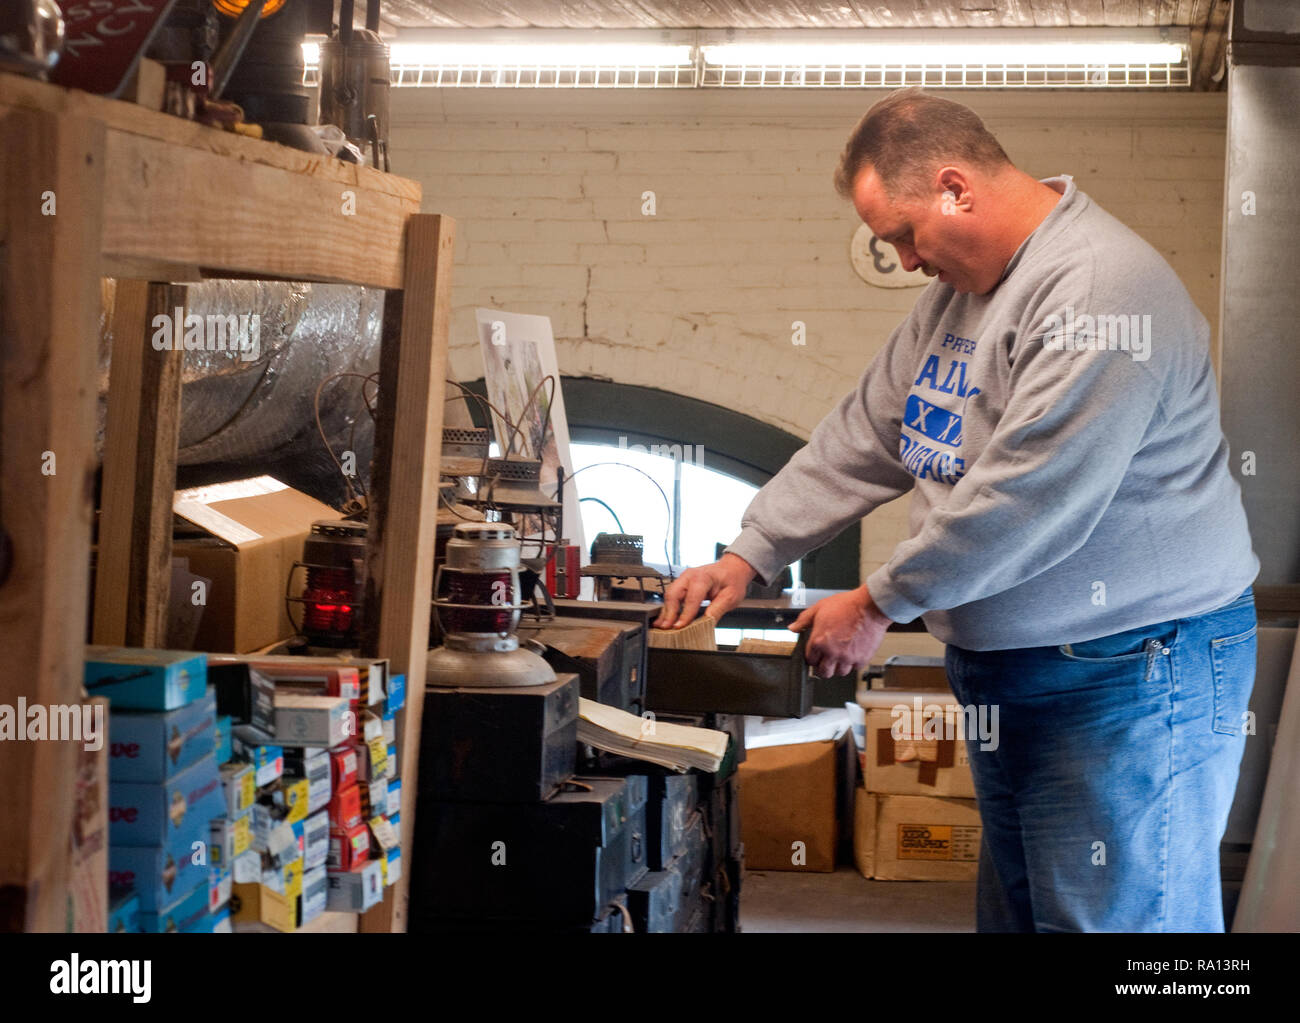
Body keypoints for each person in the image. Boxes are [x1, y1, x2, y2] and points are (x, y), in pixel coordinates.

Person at [654, 88, 1259, 933]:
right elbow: (869, 430)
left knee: (1122, 929)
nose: (903, 260)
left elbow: (1029, 494)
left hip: (1129, 668)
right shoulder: (958, 299)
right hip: (1015, 672)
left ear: (955, 188)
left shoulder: (1100, 291)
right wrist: (749, 552)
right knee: (1023, 920)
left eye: (903, 233)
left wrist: (875, 604)